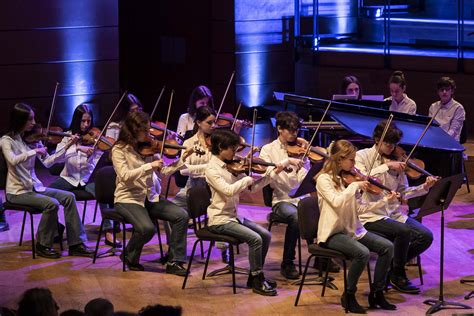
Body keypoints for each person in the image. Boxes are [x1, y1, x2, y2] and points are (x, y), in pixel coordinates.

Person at [205, 129, 295, 296]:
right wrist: (246, 178)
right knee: (255, 239)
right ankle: (257, 278)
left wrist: (273, 173)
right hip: (220, 220)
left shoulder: (231, 166)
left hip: (233, 217)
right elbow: (228, 190)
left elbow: (253, 188)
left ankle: (253, 276)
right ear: (220, 147)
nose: (235, 152)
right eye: (232, 148)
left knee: (265, 235)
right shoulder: (211, 169)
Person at [1, 103, 93, 259]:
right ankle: (42, 245)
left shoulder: (29, 140)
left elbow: (49, 162)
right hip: (18, 192)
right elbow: (12, 160)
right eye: (30, 119)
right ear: (20, 120)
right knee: (52, 204)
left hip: (35, 187)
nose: (33, 122)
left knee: (69, 197)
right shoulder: (7, 140)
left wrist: (67, 146)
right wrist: (34, 151)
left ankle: (76, 244)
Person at [316, 139, 397, 313]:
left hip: (352, 229)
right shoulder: (324, 180)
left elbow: (360, 208)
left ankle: (377, 293)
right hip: (333, 233)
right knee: (362, 253)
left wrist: (383, 201)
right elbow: (337, 202)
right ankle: (349, 295)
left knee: (387, 247)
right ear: (339, 160)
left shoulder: (346, 180)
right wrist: (353, 186)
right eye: (351, 160)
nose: (354, 165)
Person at [355, 120, 436, 294]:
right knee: (403, 232)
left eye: (394, 144)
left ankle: (392, 267)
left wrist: (424, 187)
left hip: (393, 214)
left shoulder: (398, 163)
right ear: (377, 139)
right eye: (388, 143)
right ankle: (398, 275)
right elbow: (361, 177)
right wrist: (386, 166)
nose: (392, 147)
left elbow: (403, 192)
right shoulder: (362, 156)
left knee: (425, 236)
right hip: (370, 215)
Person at [111, 111, 192, 273]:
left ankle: (174, 262)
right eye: (145, 131)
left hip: (150, 197)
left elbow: (165, 171)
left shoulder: (148, 147)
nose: (149, 135)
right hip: (128, 198)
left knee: (181, 216)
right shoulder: (119, 150)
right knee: (147, 229)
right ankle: (128, 254)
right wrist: (149, 166)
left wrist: (182, 160)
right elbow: (125, 176)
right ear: (134, 130)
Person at [47, 104, 119, 247]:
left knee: (103, 193)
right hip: (69, 178)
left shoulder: (95, 139)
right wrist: (72, 146)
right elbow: (56, 159)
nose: (86, 125)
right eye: (83, 121)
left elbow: (98, 162)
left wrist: (94, 153)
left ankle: (109, 231)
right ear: (76, 120)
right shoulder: (66, 137)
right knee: (47, 195)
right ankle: (57, 227)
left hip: (88, 179)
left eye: (88, 121)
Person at [259, 111, 317, 279]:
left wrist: (303, 165)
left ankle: (321, 258)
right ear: (279, 128)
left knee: (324, 209)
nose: (294, 134)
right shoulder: (268, 150)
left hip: (300, 199)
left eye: (296, 131)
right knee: (296, 217)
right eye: (290, 130)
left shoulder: (300, 149)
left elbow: (302, 179)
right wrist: (285, 164)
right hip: (281, 200)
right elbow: (267, 177)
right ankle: (288, 262)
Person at [429, 76, 465, 142]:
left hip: (450, 143)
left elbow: (453, 131)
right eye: (441, 90)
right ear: (438, 92)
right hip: (434, 140)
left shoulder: (458, 108)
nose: (444, 92)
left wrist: (440, 140)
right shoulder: (433, 106)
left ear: (452, 91)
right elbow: (430, 127)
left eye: (447, 89)